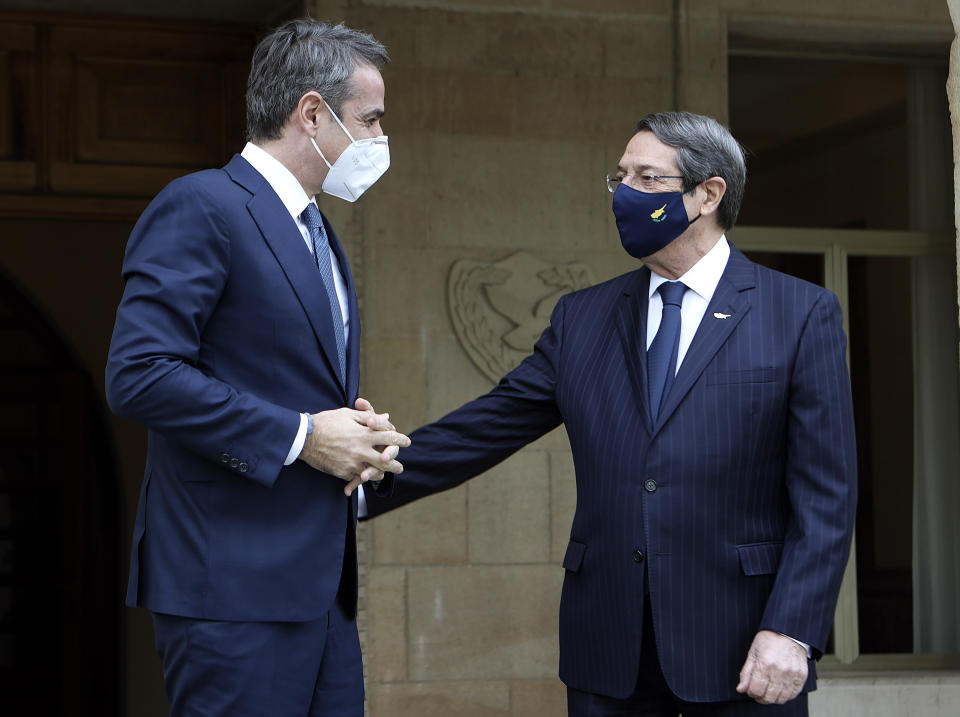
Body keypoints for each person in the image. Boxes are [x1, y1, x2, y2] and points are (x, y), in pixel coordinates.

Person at [361, 111, 857, 716]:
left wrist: (793, 628)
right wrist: (367, 473)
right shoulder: (583, 318)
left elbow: (826, 496)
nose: (624, 194)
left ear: (707, 194)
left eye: (647, 179)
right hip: (610, 650)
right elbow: (491, 424)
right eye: (618, 177)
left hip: (746, 649)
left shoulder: (799, 313)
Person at [105, 18, 409, 717]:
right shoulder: (202, 205)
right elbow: (139, 371)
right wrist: (305, 436)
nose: (379, 140)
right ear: (312, 113)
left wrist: (354, 432)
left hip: (322, 591)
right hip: (231, 588)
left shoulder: (319, 227)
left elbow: (285, 378)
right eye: (370, 120)